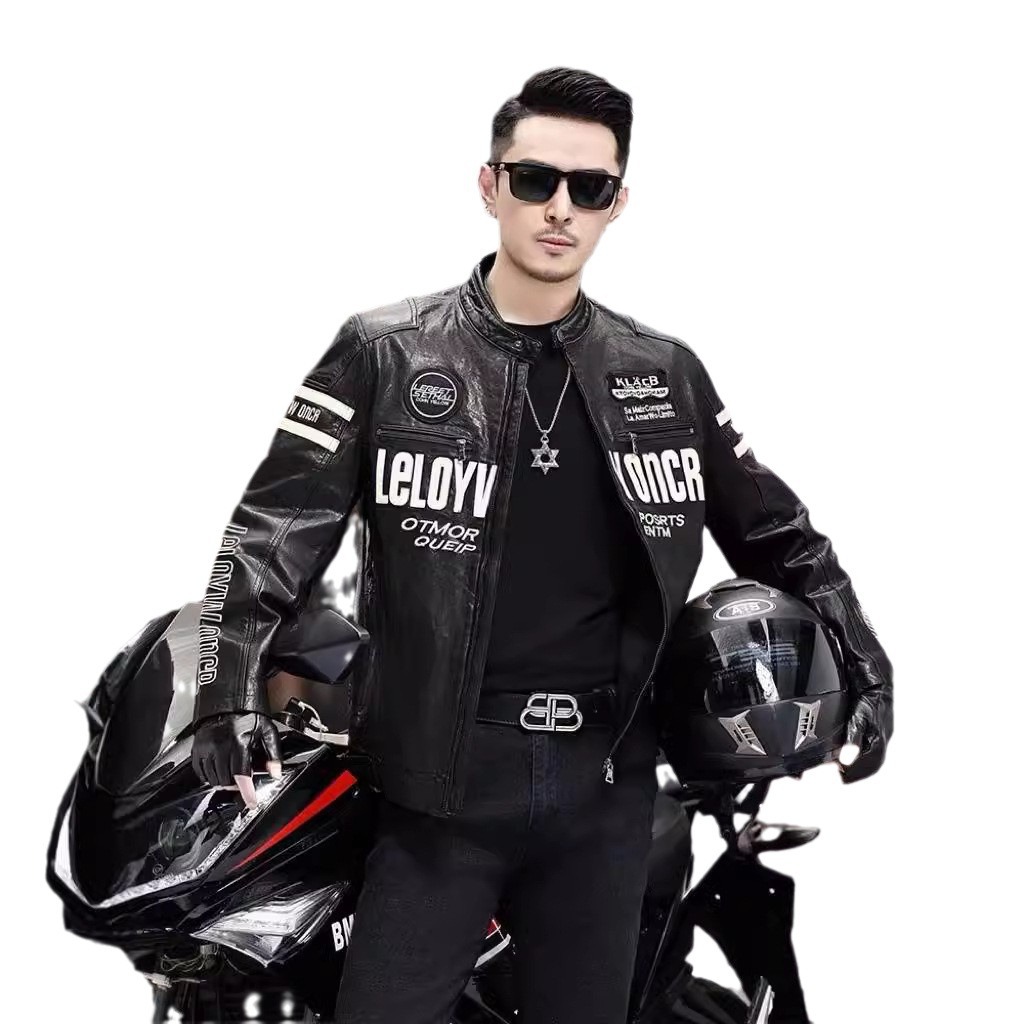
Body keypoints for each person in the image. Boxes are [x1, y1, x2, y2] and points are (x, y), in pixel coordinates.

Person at [190, 66, 894, 1024]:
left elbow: (778, 534)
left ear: (616, 205)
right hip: (440, 789)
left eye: (589, 188)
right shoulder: (386, 352)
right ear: (491, 187)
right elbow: (270, 535)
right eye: (535, 180)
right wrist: (224, 688)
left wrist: (865, 661)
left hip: (605, 790)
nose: (560, 207)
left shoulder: (665, 374)